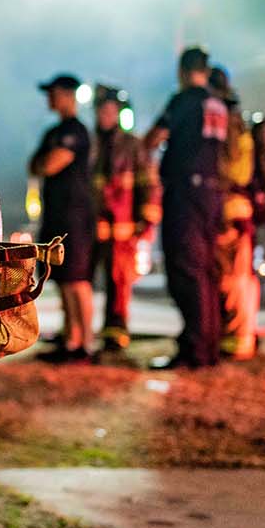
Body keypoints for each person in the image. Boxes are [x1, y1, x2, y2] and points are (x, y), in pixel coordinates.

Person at [144, 46, 228, 370]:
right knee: (206, 271)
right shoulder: (218, 103)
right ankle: (209, 347)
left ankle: (194, 350)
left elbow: (154, 138)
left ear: (182, 71)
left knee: (185, 271)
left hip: (185, 195)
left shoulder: (184, 100)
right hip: (212, 193)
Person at [87, 85, 160, 353]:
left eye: (108, 110)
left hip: (122, 228)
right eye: (100, 110)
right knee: (83, 280)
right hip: (93, 227)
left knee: (119, 283)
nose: (103, 115)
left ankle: (116, 332)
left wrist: (147, 221)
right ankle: (80, 331)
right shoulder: (90, 143)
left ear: (118, 113)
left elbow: (149, 186)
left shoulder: (132, 145)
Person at [30, 75, 94, 363]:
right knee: (64, 278)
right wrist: (43, 162)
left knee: (77, 279)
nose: (49, 99)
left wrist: (45, 161)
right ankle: (71, 339)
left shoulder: (75, 131)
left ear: (69, 95)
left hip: (75, 215)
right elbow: (35, 165)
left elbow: (49, 164)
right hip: (58, 213)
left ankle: (85, 344)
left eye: (54, 93)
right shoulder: (54, 131)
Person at [209, 66, 258, 360]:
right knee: (240, 277)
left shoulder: (226, 123)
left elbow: (227, 168)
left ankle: (237, 340)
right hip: (238, 206)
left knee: (232, 278)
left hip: (230, 208)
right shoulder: (236, 119)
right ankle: (242, 337)